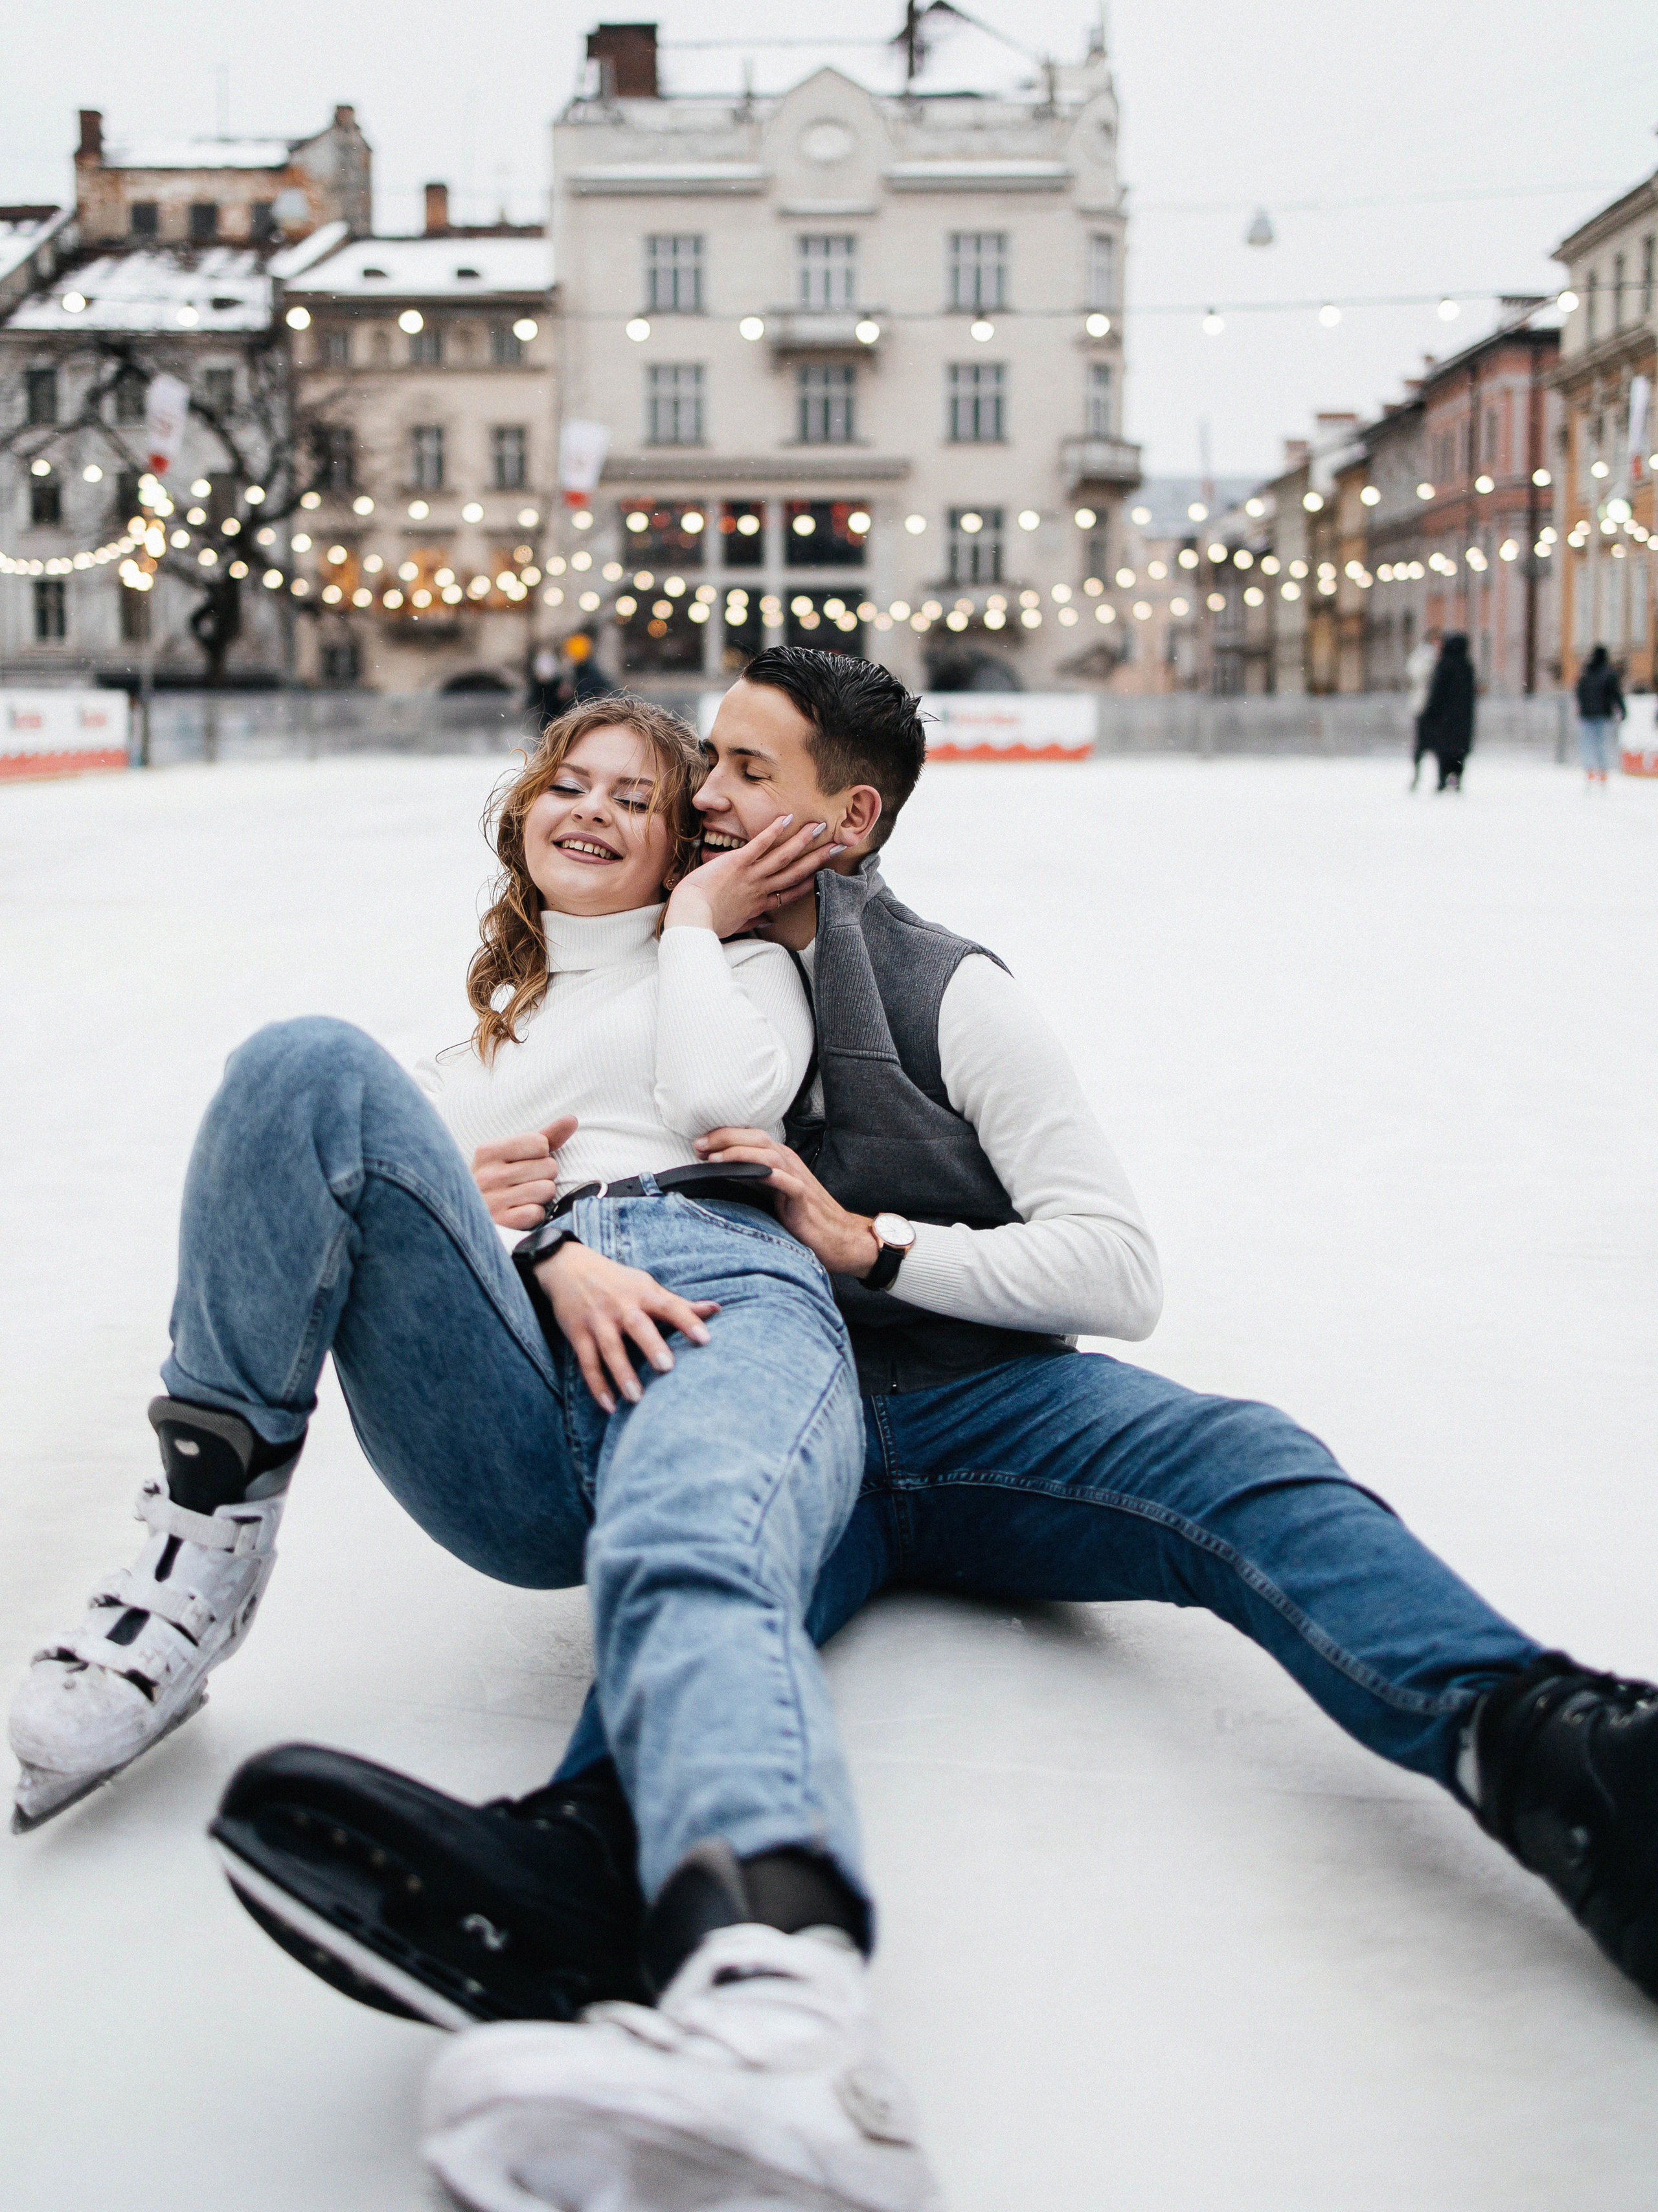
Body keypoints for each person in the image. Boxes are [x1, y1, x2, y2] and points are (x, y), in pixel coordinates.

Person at [227, 649, 1658, 2210]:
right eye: (706, 762)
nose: (702, 797)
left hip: (966, 1397)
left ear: (844, 822)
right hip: (748, 1394)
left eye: (747, 773)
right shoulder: (652, 959)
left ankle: (1552, 1753)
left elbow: (1114, 1265)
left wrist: (874, 1247)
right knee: (696, 1540)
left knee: (1241, 1462)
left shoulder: (943, 990)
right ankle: (602, 1859)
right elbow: (523, 1149)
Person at [10, 688, 945, 2212]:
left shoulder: (735, 969)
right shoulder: (454, 1072)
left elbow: (722, 1100)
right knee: (305, 1061)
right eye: (568, 782)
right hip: (505, 1417)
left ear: (676, 842)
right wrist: (527, 1243)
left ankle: (779, 2022)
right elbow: (349, 1217)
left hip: (705, 1311)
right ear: (522, 813)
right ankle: (192, 1570)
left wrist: (695, 922)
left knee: (694, 1551)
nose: (591, 809)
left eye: (635, 797)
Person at [1416, 628, 1475, 792]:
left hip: (1444, 720)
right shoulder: (1467, 667)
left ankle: (1443, 779)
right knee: (1459, 752)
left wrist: (1430, 712)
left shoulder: (1444, 666)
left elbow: (1437, 693)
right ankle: (1457, 777)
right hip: (1462, 720)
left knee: (1444, 751)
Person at [1575, 642, 1626, 787]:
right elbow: (1616, 694)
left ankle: (1590, 770)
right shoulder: (1609, 674)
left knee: (1587, 743)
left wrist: (1583, 707)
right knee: (1601, 743)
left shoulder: (1586, 672)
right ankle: (1602, 771)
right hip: (1602, 715)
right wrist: (1622, 710)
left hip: (1587, 715)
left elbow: (1580, 692)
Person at [1405, 623, 1442, 790]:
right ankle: (1418, 775)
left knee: (1433, 744)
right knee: (1422, 744)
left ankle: (1437, 777)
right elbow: (1416, 675)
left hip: (1434, 707)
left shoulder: (1439, 657)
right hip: (1424, 706)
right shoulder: (1423, 656)